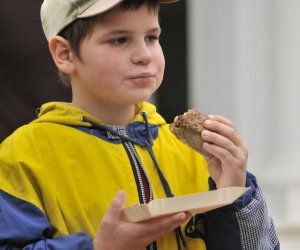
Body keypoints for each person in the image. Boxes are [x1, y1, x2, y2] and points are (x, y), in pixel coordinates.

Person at [0, 0, 280, 249]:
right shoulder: (22, 157)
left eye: (151, 37)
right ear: (65, 54)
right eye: (119, 40)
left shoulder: (192, 151)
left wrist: (233, 194)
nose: (144, 55)